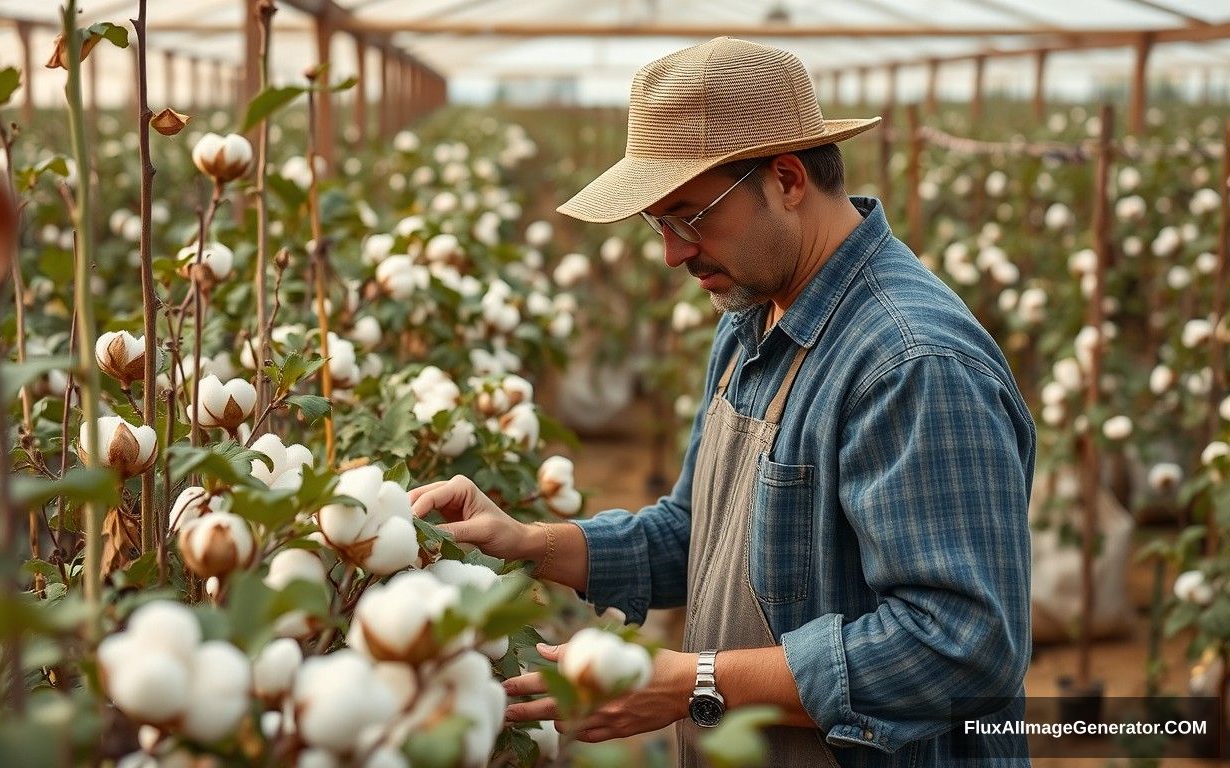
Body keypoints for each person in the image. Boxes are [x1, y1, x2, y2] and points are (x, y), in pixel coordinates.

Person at [410, 37, 1035, 767]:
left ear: (788, 179)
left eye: (689, 216)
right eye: (658, 224)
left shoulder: (910, 364)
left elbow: (963, 646)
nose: (674, 252)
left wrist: (697, 682)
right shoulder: (753, 318)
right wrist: (532, 543)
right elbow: (700, 535)